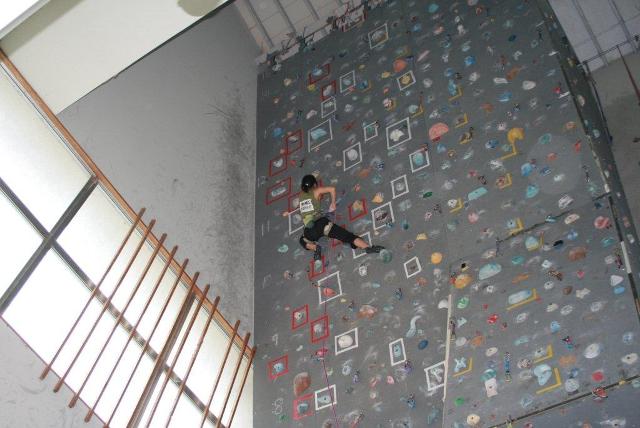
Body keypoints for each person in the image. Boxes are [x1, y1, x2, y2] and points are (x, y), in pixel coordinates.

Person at [297, 174, 384, 259]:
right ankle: (368, 248)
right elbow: (332, 189)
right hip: (322, 225)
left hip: (309, 231)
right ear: (314, 185)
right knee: (347, 236)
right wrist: (333, 203)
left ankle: (315, 248)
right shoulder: (317, 191)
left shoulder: (301, 195)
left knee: (302, 240)